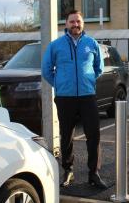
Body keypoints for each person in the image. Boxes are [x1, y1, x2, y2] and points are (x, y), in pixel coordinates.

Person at [41, 10, 108, 189]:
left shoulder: (91, 43)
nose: (75, 25)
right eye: (72, 22)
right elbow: (46, 69)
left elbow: (98, 68)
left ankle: (94, 173)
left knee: (93, 135)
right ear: (66, 24)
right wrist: (60, 84)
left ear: (82, 23)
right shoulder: (56, 45)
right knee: (67, 136)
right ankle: (68, 170)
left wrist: (89, 80)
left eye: (78, 21)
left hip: (87, 96)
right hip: (65, 97)